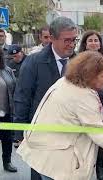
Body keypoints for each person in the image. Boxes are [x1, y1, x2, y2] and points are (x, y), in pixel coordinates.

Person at [16, 51, 103, 180]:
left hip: (47, 156)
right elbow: (100, 135)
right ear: (90, 76)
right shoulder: (82, 96)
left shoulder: (66, 82)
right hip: (59, 165)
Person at [13, 16, 78, 180]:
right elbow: (22, 97)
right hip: (42, 136)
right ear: (53, 39)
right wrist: (20, 133)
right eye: (67, 40)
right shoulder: (34, 62)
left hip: (71, 136)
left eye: (74, 40)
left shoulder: (79, 62)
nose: (71, 44)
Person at [78, 30, 103, 180]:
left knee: (101, 138)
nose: (94, 43)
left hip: (102, 101)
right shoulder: (78, 61)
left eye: (96, 40)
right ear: (85, 43)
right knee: (87, 139)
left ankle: (100, 169)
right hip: (84, 102)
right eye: (90, 40)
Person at [0, 48, 17, 172]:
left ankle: (7, 162)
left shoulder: (7, 70)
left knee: (7, 140)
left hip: (6, 113)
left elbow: (15, 88)